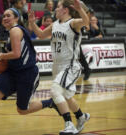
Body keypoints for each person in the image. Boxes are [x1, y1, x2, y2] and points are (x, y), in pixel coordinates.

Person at [28, 0, 90, 134]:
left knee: (55, 91)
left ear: (65, 10)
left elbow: (86, 21)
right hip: (57, 66)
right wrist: (32, 23)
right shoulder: (55, 25)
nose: (55, 10)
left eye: (58, 7)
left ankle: (69, 124)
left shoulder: (72, 23)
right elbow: (40, 34)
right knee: (66, 95)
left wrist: (80, 9)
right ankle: (81, 116)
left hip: (70, 65)